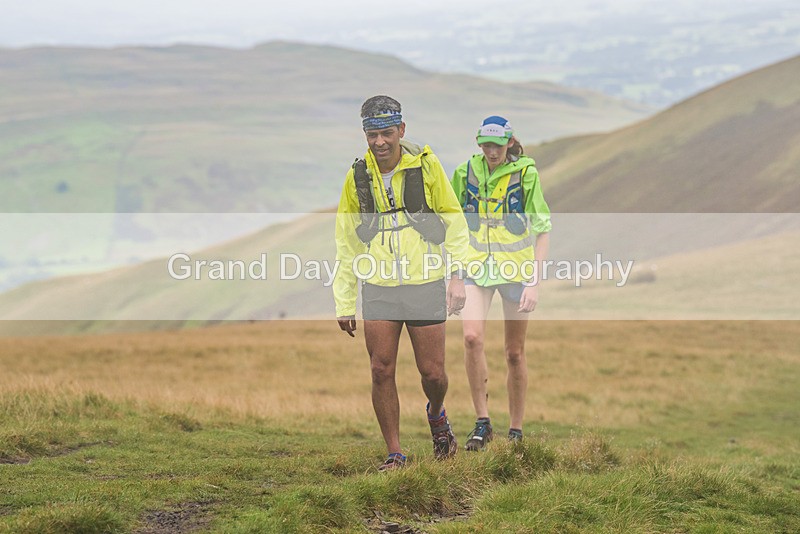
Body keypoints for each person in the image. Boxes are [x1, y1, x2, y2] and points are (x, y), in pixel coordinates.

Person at [333, 95, 471, 470]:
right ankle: (395, 452)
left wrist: (458, 277)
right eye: (372, 135)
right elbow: (346, 240)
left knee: (434, 373)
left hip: (425, 279)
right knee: (381, 368)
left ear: (401, 131)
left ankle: (437, 413)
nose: (380, 142)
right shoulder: (357, 176)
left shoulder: (426, 167)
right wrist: (344, 301)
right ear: (365, 134)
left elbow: (454, 222)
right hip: (377, 283)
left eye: (387, 134)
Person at [449, 116, 551, 450]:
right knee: (471, 337)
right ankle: (482, 422)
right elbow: (453, 226)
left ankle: (516, 431)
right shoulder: (465, 172)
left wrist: (534, 282)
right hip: (476, 268)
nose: (492, 151)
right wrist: (454, 276)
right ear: (479, 143)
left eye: (498, 144)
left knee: (514, 353)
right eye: (486, 144)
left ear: (509, 142)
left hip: (516, 272)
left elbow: (542, 227)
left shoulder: (526, 174)